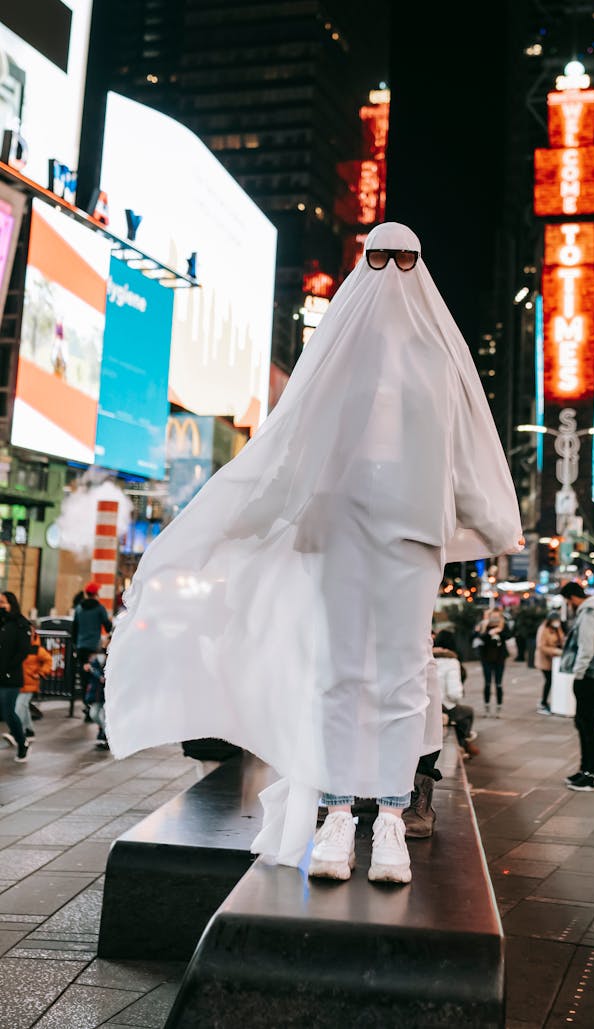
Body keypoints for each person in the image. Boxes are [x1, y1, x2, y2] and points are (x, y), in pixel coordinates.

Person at [104, 221, 523, 888]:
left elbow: (469, 445)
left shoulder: (441, 356)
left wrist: (497, 521)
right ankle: (334, 812)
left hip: (413, 529)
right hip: (339, 526)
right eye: (379, 256)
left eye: (406, 258)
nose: (392, 271)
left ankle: (389, 815)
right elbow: (290, 444)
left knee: (402, 668)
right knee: (339, 669)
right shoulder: (335, 353)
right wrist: (238, 521)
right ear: (363, 261)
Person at [558, 581, 594, 791]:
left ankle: (592, 775)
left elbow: (586, 648)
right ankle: (585, 770)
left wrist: (579, 674)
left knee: (587, 725)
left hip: (591, 676)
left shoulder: (589, 614)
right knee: (585, 724)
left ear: (572, 598)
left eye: (567, 601)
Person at [432, 632, 479, 760]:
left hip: (427, 703)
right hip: (443, 707)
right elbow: (454, 694)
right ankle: (463, 745)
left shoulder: (428, 657)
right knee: (467, 712)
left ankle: (465, 743)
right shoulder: (451, 661)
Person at [0, 591, 33, 763]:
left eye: (3, 602)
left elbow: (23, 651)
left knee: (8, 712)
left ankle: (22, 742)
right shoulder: (2, 622)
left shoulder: (20, 624)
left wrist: (7, 669)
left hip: (10, 677)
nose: (1, 605)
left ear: (12, 603)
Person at [72, 583, 112, 720]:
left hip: (81, 647)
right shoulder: (100, 608)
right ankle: (93, 707)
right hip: (94, 649)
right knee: (94, 678)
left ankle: (86, 706)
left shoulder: (78, 608)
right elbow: (107, 626)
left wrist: (75, 646)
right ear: (95, 594)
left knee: (84, 678)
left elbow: (74, 629)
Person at [13, 626, 52, 741]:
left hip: (30, 683)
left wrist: (41, 673)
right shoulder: (17, 647)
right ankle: (29, 730)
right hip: (18, 682)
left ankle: (15, 732)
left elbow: (48, 660)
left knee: (19, 707)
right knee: (23, 707)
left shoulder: (37, 649)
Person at [474, 607, 510, 717]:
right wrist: (489, 633)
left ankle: (499, 708)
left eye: (497, 617)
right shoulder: (484, 626)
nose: (495, 619)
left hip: (500, 658)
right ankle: (487, 707)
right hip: (486, 658)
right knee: (487, 683)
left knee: (499, 684)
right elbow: (479, 638)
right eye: (493, 617)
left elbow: (509, 636)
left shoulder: (504, 627)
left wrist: (500, 631)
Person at [82, 634, 109, 750]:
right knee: (95, 714)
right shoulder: (96, 658)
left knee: (102, 715)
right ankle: (106, 734)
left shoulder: (112, 658)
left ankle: (105, 736)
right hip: (97, 693)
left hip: (107, 694)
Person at [534, 611, 564, 714]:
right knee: (549, 680)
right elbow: (541, 646)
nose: (557, 622)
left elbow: (562, 640)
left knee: (551, 681)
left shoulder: (556, 629)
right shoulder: (543, 629)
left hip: (554, 660)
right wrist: (555, 651)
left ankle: (546, 701)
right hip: (545, 659)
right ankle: (543, 702)